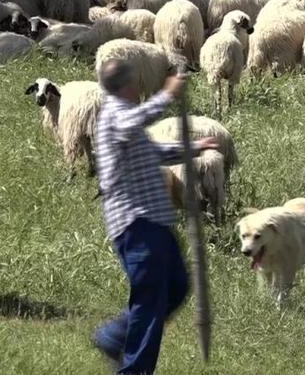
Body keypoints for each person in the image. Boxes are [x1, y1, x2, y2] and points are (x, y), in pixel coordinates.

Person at [92, 59, 218, 374]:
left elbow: (154, 153)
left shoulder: (126, 119)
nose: (140, 87)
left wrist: (194, 148)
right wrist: (168, 95)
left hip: (156, 223)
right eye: (136, 81)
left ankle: (113, 336)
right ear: (126, 85)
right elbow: (129, 124)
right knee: (150, 301)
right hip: (136, 224)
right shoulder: (114, 115)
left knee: (176, 287)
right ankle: (133, 369)